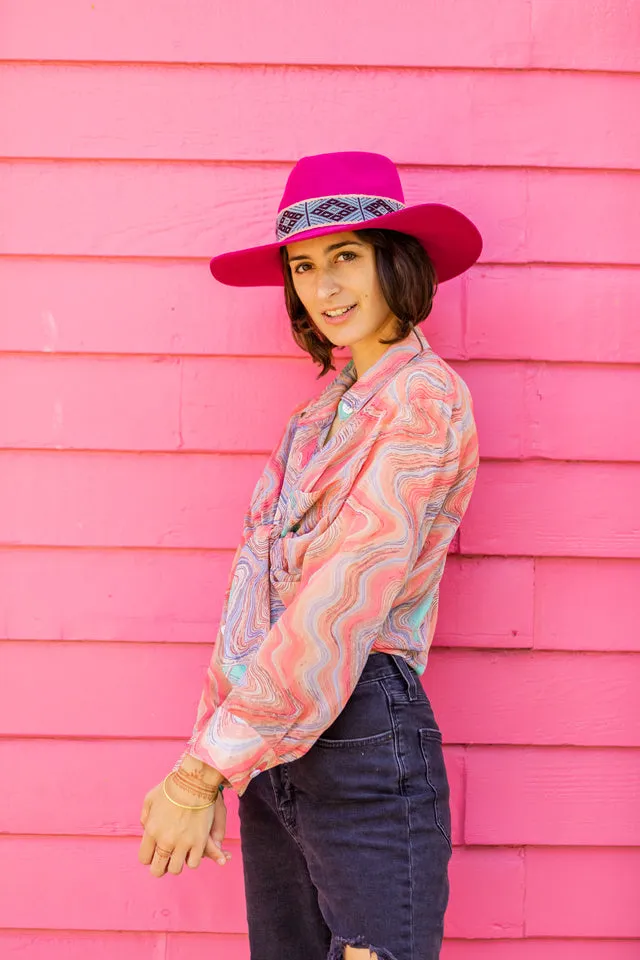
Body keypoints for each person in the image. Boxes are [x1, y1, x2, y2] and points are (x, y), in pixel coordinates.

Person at [139, 151, 482, 960]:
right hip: (275, 746)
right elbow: (251, 601)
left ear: (394, 260)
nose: (322, 289)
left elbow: (338, 605)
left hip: (360, 724)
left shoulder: (424, 401)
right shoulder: (319, 413)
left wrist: (202, 774)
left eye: (345, 258)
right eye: (303, 266)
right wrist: (212, 758)